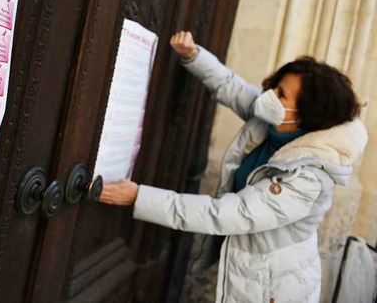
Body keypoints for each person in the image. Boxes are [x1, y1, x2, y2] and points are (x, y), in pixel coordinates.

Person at [99, 31, 368, 302]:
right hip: (250, 268)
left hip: (273, 289)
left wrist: (138, 197)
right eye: (276, 87)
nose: (270, 95)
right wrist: (193, 55)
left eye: (282, 94)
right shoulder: (275, 122)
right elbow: (234, 88)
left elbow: (227, 213)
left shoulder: (307, 179)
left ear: (306, 116)